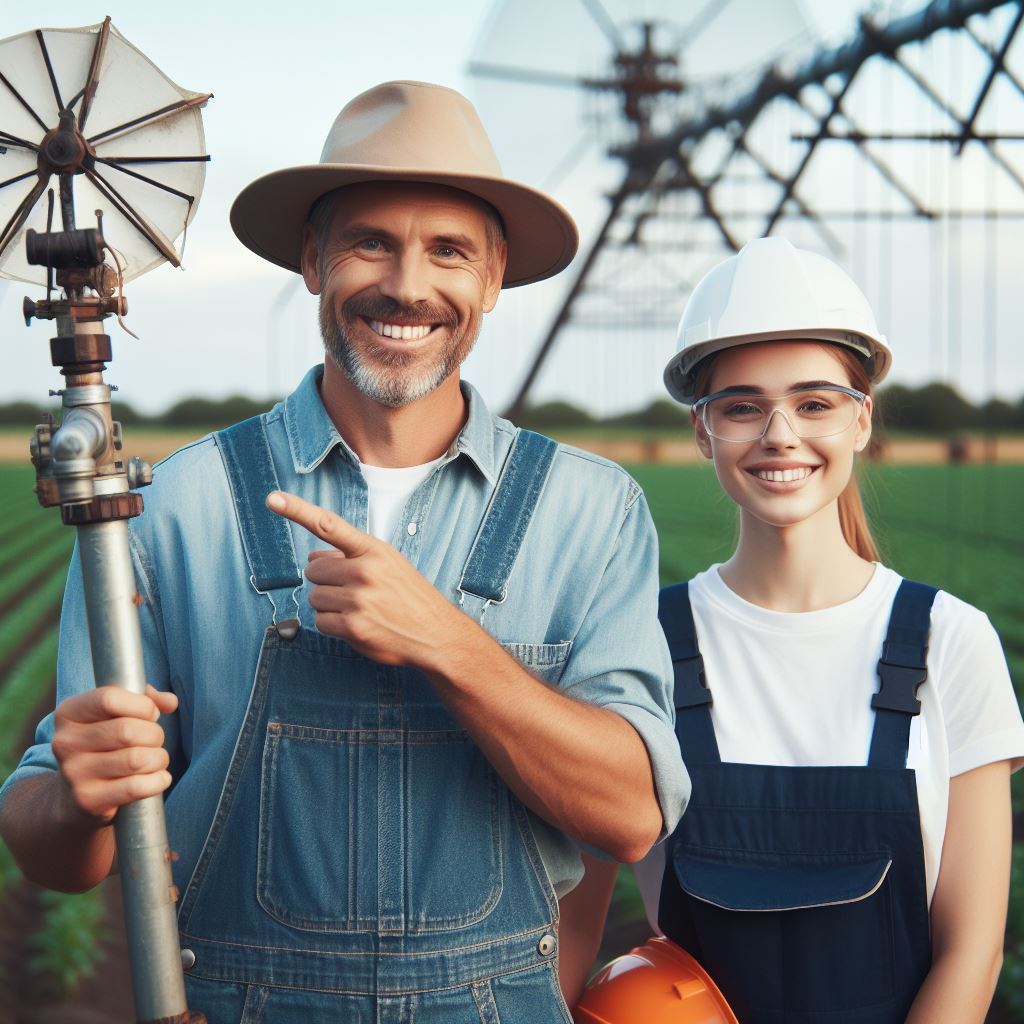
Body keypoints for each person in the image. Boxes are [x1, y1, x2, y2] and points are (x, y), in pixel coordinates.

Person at [0, 81, 689, 1022]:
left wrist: (445, 641)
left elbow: (631, 813)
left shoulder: (592, 510)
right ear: (313, 259)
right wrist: (76, 797)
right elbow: (55, 849)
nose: (408, 286)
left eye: (449, 250)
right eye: (371, 241)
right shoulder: (166, 508)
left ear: (492, 279)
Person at [581, 237, 1024, 1023]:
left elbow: (973, 949)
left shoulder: (948, 643)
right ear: (702, 431)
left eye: (814, 403)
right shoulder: (637, 640)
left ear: (862, 422)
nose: (780, 434)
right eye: (742, 405)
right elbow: (574, 915)